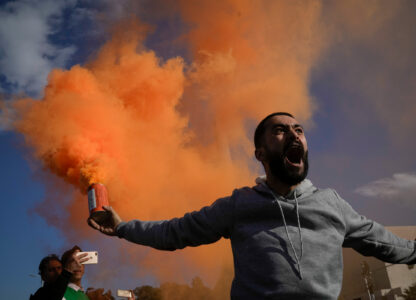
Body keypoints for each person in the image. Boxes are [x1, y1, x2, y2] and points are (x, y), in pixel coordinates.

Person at [88, 112, 416, 300]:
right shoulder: (239, 205)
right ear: (260, 153)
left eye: (298, 130)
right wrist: (122, 228)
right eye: (280, 130)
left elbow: (383, 242)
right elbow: (177, 232)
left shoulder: (332, 205)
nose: (294, 134)